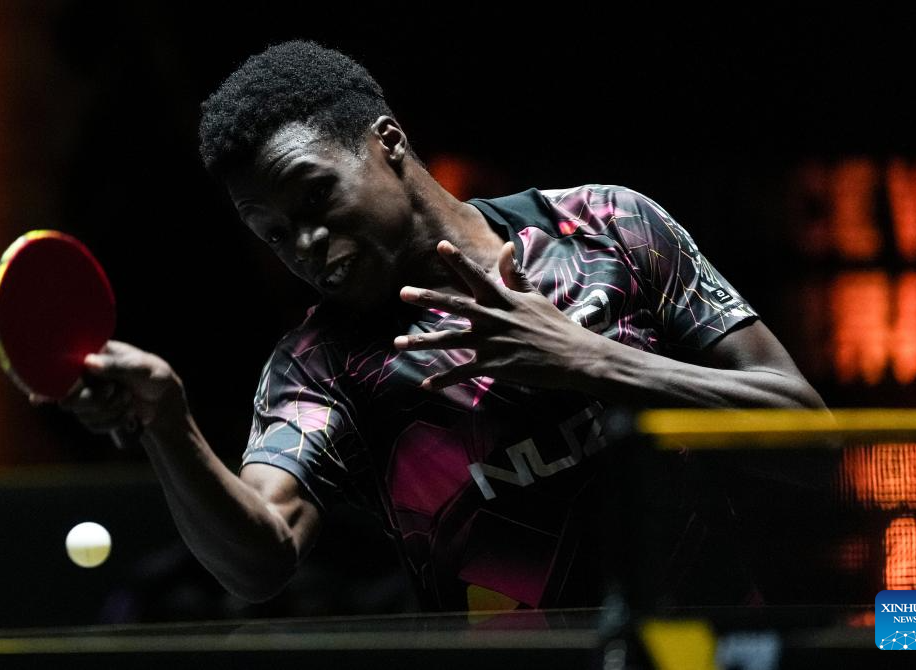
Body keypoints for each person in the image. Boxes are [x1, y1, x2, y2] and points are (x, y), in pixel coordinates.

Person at [58, 40, 825, 612]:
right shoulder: (323, 367)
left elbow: (810, 432)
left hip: (721, 647)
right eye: (275, 234)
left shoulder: (605, 227)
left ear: (387, 142)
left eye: (314, 197)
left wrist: (589, 360)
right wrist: (169, 425)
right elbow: (259, 560)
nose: (304, 245)